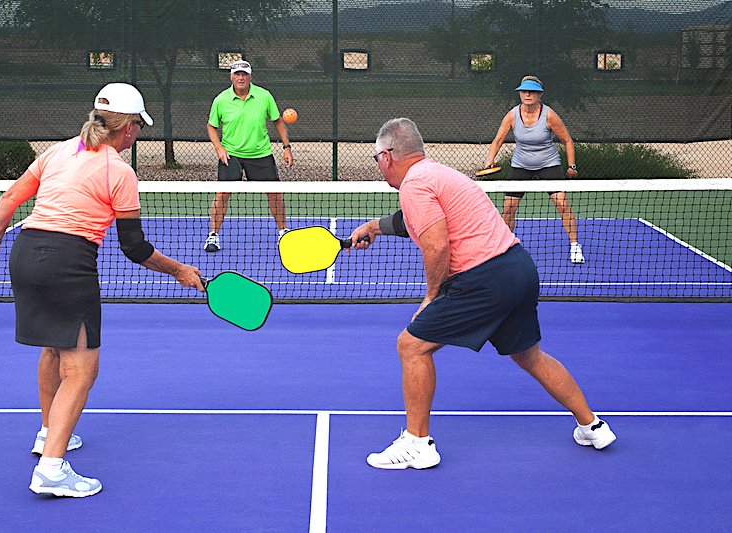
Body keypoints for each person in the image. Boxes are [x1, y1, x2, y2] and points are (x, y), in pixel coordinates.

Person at [0, 83, 203, 496]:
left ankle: (47, 434)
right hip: (66, 265)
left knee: (54, 348)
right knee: (81, 369)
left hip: (24, 254)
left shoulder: (59, 151)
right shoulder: (119, 172)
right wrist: (180, 270)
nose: (137, 134)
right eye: (138, 127)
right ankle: (52, 470)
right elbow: (135, 247)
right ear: (127, 128)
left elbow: (10, 197)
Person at [350, 118, 615, 470]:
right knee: (530, 356)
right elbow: (413, 221)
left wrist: (432, 296)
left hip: (484, 278)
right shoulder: (440, 174)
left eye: (376, 159)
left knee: (412, 345)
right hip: (518, 268)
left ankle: (417, 443)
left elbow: (436, 243)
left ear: (387, 156)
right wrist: (373, 227)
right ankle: (592, 425)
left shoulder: (413, 185)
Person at [485, 75, 585, 264]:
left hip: (548, 163)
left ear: (540, 95)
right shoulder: (512, 115)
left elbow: (567, 140)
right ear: (520, 94)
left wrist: (572, 166)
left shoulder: (548, 115)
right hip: (521, 164)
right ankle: (505, 248)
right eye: (524, 91)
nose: (528, 94)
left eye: (532, 91)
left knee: (562, 204)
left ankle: (575, 246)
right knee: (508, 207)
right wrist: (490, 160)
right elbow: (497, 140)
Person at [205, 59, 294, 252]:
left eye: (244, 74)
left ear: (250, 76)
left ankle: (283, 232)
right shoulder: (221, 100)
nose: (241, 77)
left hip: (261, 154)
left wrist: (286, 147)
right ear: (231, 77)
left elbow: (278, 121)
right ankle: (213, 236)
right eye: (237, 74)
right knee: (222, 194)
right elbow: (211, 126)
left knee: (274, 193)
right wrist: (219, 148)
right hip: (231, 155)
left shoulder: (264, 96)